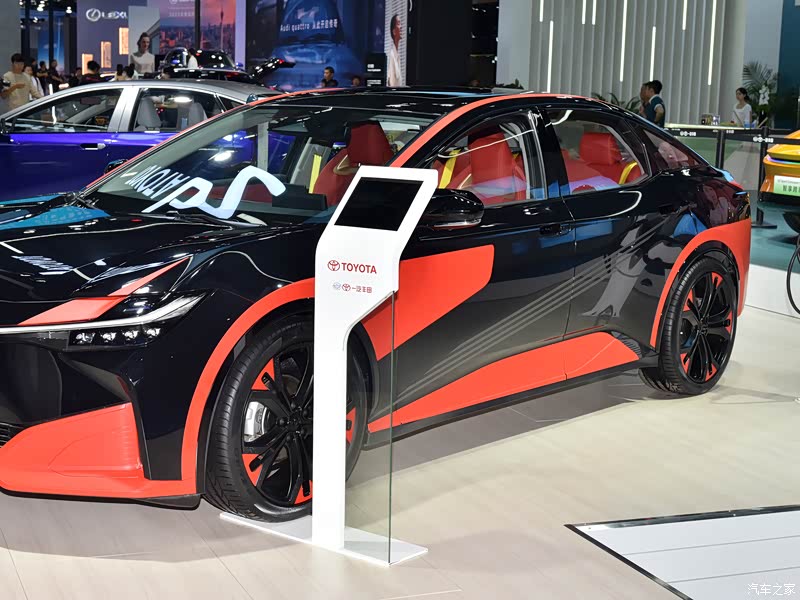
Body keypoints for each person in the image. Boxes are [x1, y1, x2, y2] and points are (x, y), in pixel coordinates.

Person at [387, 13, 403, 87]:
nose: (401, 27)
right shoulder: (391, 56)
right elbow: (391, 85)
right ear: (394, 31)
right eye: (399, 24)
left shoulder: (397, 55)